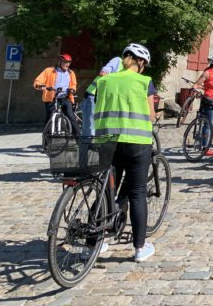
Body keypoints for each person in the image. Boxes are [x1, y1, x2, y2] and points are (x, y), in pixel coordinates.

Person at [93, 43, 156, 262]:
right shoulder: (144, 82)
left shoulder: (104, 81)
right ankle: (139, 248)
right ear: (140, 62)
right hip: (136, 142)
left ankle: (96, 241)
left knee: (105, 190)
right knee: (137, 192)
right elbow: (151, 116)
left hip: (107, 141)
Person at [81, 56, 122, 138]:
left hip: (104, 99)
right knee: (90, 130)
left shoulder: (129, 72)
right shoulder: (118, 61)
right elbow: (104, 72)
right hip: (93, 96)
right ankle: (86, 148)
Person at [34, 53, 78, 127]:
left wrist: (72, 89)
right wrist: (41, 86)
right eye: (65, 62)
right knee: (50, 117)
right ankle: (47, 137)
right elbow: (38, 81)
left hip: (65, 98)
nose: (67, 64)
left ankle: (77, 136)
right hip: (51, 98)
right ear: (59, 62)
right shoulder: (49, 71)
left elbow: (74, 84)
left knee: (71, 116)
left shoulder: (70, 73)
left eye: (69, 62)